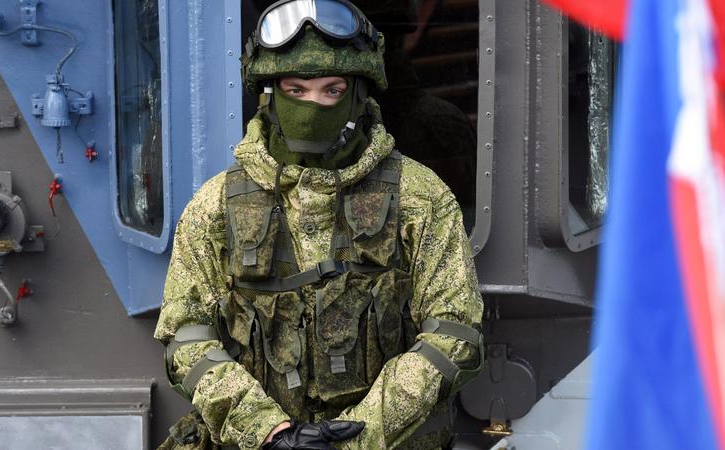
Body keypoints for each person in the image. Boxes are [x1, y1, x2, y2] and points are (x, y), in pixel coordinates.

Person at [154, 1, 484, 448]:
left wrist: (353, 437)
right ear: (270, 94)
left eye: (332, 90)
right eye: (296, 89)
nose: (312, 106)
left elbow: (454, 334)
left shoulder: (419, 197)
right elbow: (186, 338)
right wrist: (268, 431)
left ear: (359, 94)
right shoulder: (215, 206)